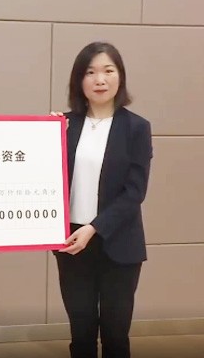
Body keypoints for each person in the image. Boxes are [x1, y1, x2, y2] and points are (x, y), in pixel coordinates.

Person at [52, 41, 153, 358]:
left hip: (119, 243)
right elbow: (42, 178)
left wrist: (94, 228)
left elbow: (134, 192)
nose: (100, 80)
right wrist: (43, 136)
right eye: (90, 72)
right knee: (81, 332)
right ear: (78, 80)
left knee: (115, 334)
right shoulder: (64, 125)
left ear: (120, 76)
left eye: (108, 71)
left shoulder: (136, 127)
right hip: (72, 242)